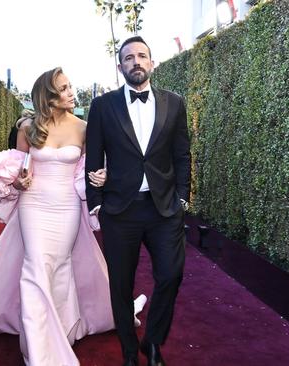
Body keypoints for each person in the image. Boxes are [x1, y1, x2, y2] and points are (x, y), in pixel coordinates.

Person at [0, 67, 145, 366]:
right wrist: (17, 182)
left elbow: (94, 168)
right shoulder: (29, 128)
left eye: (70, 86)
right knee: (35, 267)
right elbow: (19, 167)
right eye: (64, 89)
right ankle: (37, 350)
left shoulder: (84, 128)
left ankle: (65, 329)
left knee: (61, 267)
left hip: (66, 206)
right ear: (49, 98)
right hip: (34, 205)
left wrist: (101, 178)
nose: (71, 92)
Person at [85, 36, 191, 366]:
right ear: (120, 67)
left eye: (142, 56)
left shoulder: (174, 103)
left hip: (164, 208)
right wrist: (97, 202)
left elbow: (182, 154)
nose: (136, 62)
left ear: (152, 62)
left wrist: (183, 197)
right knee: (121, 285)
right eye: (129, 58)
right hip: (120, 210)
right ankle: (130, 353)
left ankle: (153, 342)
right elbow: (94, 157)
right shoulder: (103, 106)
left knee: (171, 276)